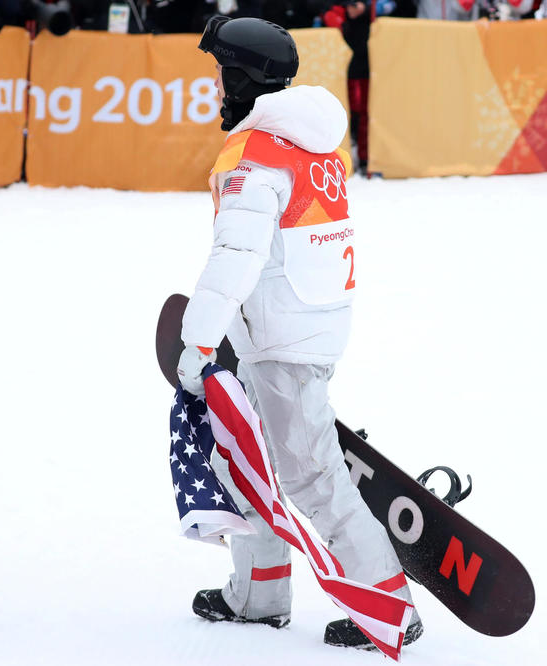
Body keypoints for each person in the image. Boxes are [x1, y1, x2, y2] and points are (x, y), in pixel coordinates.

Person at [177, 15, 422, 650]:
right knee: (249, 461)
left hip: (281, 337)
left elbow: (236, 255)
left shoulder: (255, 155)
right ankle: (260, 593)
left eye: (222, 75)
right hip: (300, 323)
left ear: (241, 79)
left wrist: (199, 341)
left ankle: (391, 609)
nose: (217, 90)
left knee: (312, 477)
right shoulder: (312, 142)